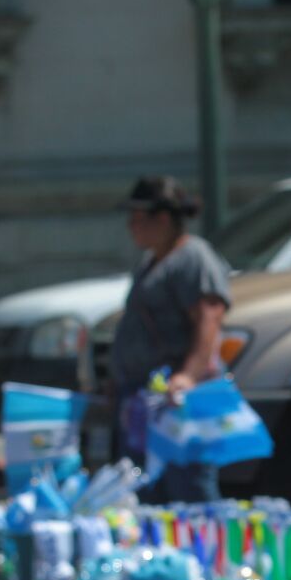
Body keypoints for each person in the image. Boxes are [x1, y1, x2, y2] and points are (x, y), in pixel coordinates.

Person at [108, 176, 233, 504]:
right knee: (150, 489)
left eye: (137, 218)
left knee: (189, 487)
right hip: (148, 400)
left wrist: (188, 375)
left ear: (162, 219)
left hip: (177, 402)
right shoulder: (152, 260)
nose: (130, 227)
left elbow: (210, 317)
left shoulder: (193, 257)